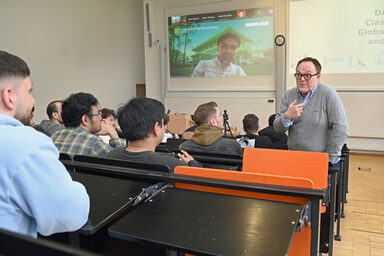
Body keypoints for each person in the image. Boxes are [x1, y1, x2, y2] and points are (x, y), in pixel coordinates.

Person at [0, 50, 89, 238]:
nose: (32, 100)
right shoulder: (26, 144)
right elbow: (70, 216)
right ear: (9, 96)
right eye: (29, 91)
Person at [274, 57, 348, 165]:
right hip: (293, 157)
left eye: (307, 75)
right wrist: (287, 116)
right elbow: (277, 128)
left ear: (318, 76)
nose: (302, 79)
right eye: (299, 75)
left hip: (320, 159)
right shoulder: (289, 95)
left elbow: (341, 128)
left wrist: (329, 158)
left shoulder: (328, 93)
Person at [106, 97, 202, 172]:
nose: (165, 128)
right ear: (156, 127)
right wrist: (192, 163)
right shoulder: (171, 164)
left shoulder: (111, 155)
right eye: (164, 124)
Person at [51, 92, 125, 158]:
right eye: (98, 114)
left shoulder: (54, 136)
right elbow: (123, 160)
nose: (101, 119)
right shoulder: (93, 143)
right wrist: (113, 133)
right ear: (85, 119)